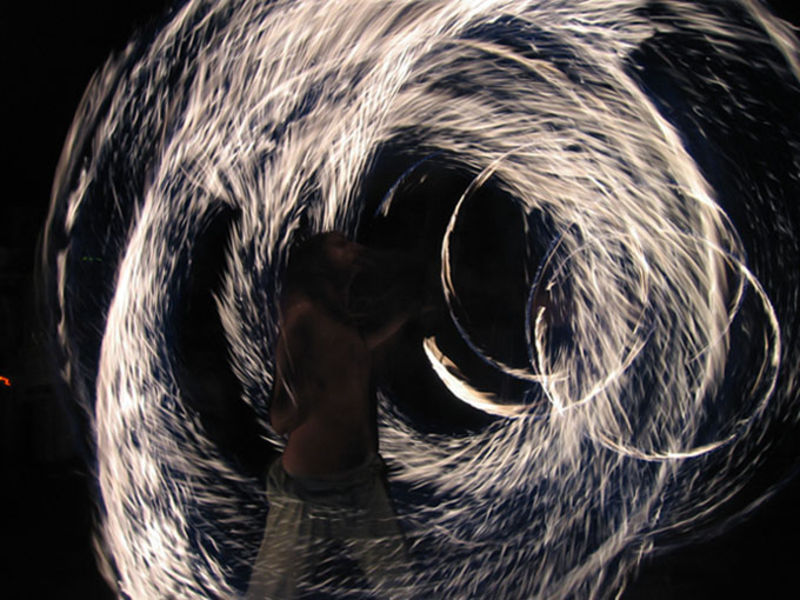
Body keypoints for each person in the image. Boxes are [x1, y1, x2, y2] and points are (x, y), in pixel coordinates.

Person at [246, 231, 424, 599]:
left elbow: (349, 354)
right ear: (319, 264)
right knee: (271, 593)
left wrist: (405, 317)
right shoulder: (303, 319)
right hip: (307, 494)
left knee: (399, 587)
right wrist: (304, 396)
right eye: (341, 246)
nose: (354, 248)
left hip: (361, 486)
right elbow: (280, 418)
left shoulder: (342, 318)